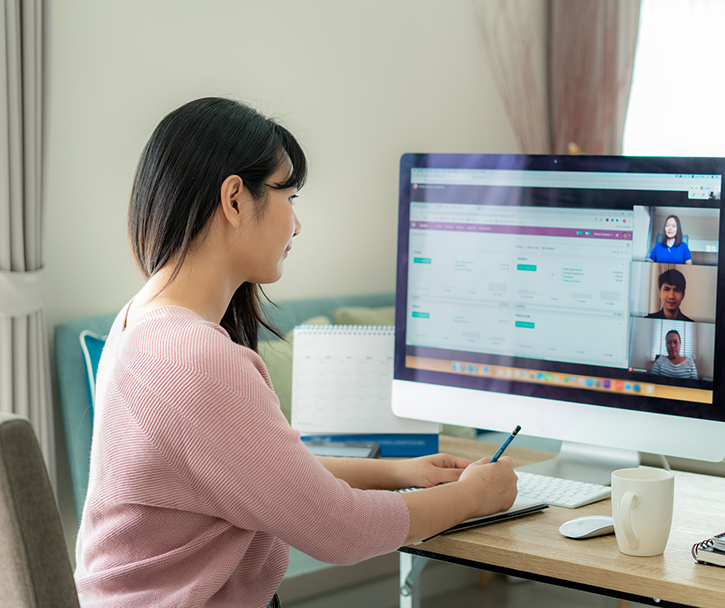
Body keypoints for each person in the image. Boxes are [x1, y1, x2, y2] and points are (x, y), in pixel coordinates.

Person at [73, 97, 518, 608]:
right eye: (290, 196)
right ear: (236, 199)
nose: (297, 225)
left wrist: (397, 473)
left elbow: (267, 470)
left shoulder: (141, 318)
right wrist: (472, 497)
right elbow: (342, 530)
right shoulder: (196, 360)